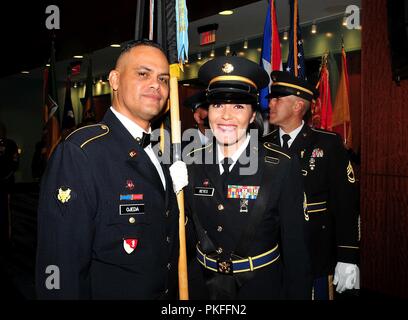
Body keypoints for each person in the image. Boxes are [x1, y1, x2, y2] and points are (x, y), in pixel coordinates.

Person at [36, 39, 187, 299]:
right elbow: (63, 265)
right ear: (115, 80)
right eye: (143, 74)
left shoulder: (161, 154)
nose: (156, 85)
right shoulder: (81, 153)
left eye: (163, 79)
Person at [184, 56, 311, 300]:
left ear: (253, 116)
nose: (226, 116)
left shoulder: (280, 164)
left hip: (260, 287)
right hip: (202, 285)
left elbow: (296, 247)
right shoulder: (190, 163)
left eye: (239, 107)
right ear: (207, 111)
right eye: (218, 105)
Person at [262, 71, 360, 300]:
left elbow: (345, 203)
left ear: (297, 106)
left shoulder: (327, 143)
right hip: (271, 253)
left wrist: (348, 255)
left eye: (277, 99)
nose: (270, 103)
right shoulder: (262, 146)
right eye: (271, 99)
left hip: (314, 250)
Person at [0, 122, 19, 252]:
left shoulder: (11, 144)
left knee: (7, 212)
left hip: (7, 184)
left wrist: (7, 176)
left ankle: (8, 239)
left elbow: (15, 162)